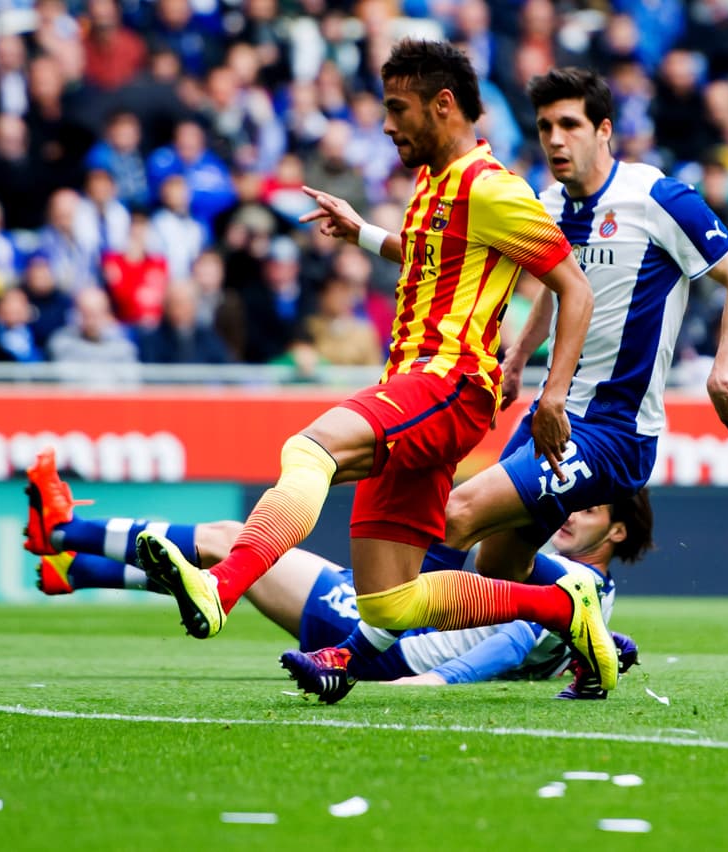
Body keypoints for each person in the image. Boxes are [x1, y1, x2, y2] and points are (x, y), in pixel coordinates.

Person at [132, 40, 615, 688]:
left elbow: (574, 288)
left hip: (448, 382)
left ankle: (222, 586)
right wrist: (360, 230)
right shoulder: (433, 183)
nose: (386, 124)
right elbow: (425, 252)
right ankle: (563, 605)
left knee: (310, 451)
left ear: (443, 106)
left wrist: (551, 395)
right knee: (388, 602)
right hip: (416, 384)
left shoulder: (493, 189)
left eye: (397, 108)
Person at [288, 66, 728, 704]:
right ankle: (582, 616)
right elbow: (509, 270)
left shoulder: (659, 199)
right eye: (544, 126)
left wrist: (721, 373)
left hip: (612, 432)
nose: (554, 139)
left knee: (454, 517)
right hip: (552, 417)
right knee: (498, 567)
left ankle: (351, 656)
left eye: (569, 124)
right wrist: (516, 358)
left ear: (604, 131)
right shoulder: (547, 203)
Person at [22, 448, 645, 699]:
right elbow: (547, 641)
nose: (566, 515)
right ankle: (76, 569)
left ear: (617, 532)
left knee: (233, 546)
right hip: (388, 619)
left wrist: (437, 684)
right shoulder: (591, 598)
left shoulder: (572, 586)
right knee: (234, 562)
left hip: (388, 641)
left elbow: (515, 640)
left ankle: (62, 532)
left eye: (586, 507)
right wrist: (608, 650)